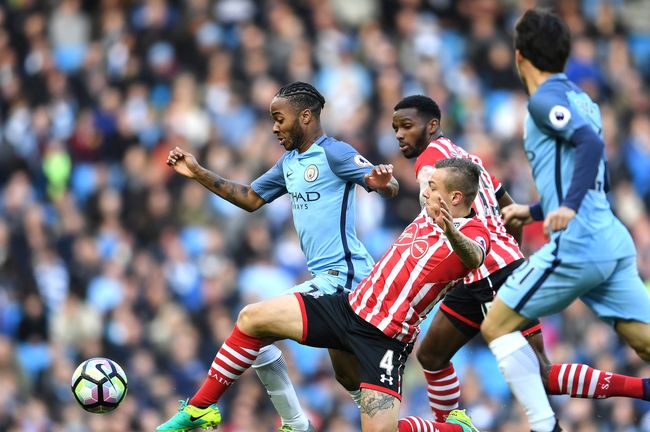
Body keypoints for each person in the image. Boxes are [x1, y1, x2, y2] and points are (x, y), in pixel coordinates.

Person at [479, 9, 650, 432]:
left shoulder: (543, 101)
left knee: (495, 325)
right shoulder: (584, 100)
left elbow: (585, 147)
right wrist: (534, 211)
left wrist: (565, 207)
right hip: (609, 238)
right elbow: (585, 171)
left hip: (578, 243)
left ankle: (544, 427)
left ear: (519, 57)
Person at [391, 94, 650, 428]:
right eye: (395, 128)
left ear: (431, 126)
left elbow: (431, 202)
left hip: (492, 275)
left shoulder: (430, 162)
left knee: (541, 373)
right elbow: (510, 209)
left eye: (406, 126)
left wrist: (500, 264)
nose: (399, 135)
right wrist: (508, 253)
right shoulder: (465, 158)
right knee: (431, 355)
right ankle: (453, 425)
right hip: (486, 272)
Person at [157, 157, 496, 432]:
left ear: (455, 198)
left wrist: (450, 229)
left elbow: (474, 257)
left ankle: (456, 429)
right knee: (252, 318)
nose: (426, 192)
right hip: (348, 308)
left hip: (386, 340)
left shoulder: (475, 232)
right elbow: (413, 175)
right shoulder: (428, 209)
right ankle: (202, 408)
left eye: (434, 187)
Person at [157, 81, 399, 432]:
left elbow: (383, 183)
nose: (274, 127)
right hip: (327, 280)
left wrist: (381, 183)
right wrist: (197, 172)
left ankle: (203, 408)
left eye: (279, 118)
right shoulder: (289, 163)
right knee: (348, 381)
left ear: (305, 116)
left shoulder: (334, 153)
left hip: (348, 280)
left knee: (252, 319)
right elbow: (250, 198)